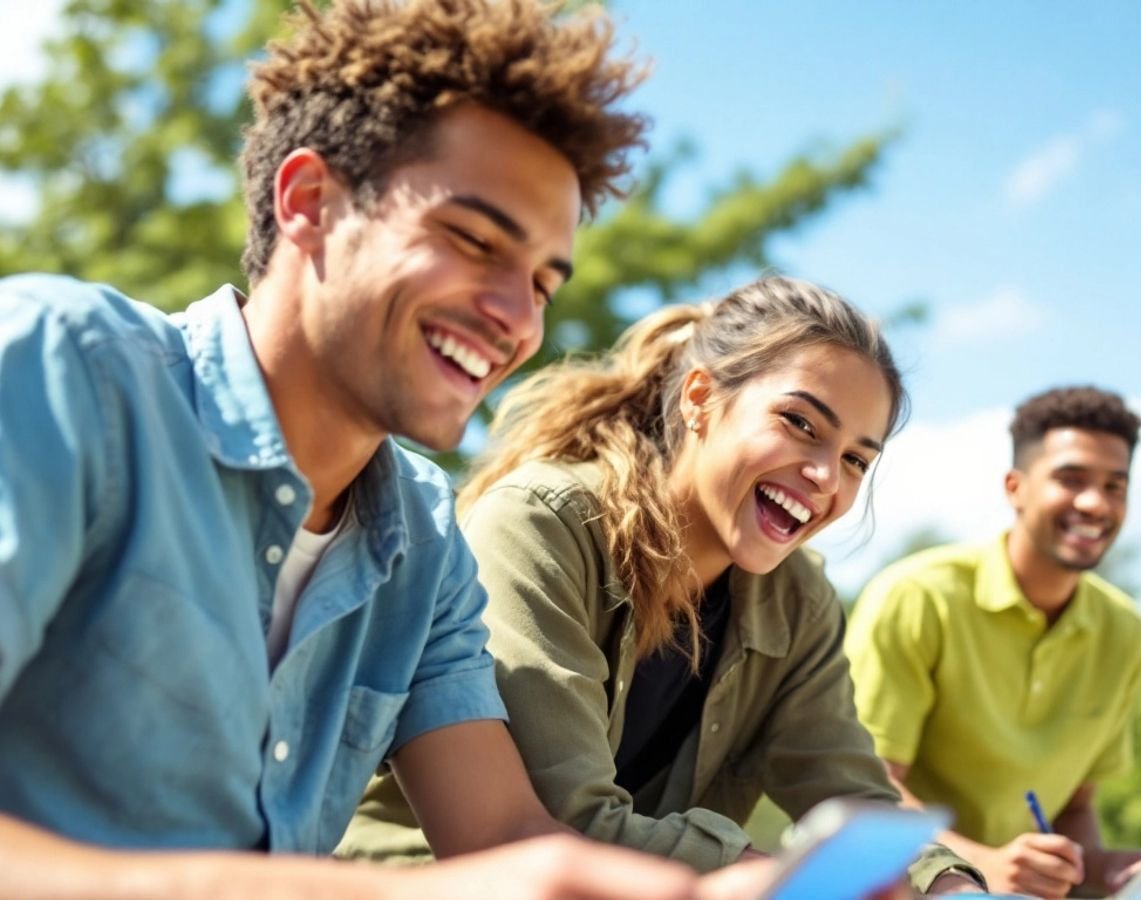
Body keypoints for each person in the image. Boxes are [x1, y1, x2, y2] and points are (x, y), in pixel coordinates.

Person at [0, 1, 753, 896]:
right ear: (310, 201)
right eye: (473, 241)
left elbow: (501, 838)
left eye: (544, 283)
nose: (518, 321)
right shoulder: (66, 370)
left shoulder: (425, 542)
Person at [340, 277, 985, 895]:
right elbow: (559, 819)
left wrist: (948, 885)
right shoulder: (543, 525)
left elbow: (849, 796)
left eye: (855, 460)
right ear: (700, 399)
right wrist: (772, 878)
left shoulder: (797, 600)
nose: (825, 475)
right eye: (800, 423)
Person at [844, 385, 1141, 898]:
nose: (1095, 503)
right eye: (1071, 479)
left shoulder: (1123, 630)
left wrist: (1102, 870)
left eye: (1114, 486)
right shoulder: (919, 596)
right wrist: (979, 864)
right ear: (1016, 487)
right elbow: (865, 786)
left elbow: (1075, 808)